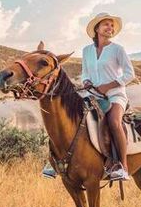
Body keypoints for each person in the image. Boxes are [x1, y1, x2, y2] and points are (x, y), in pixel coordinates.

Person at [42, 12, 135, 181]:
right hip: (92, 93)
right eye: (106, 24)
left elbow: (130, 74)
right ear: (97, 28)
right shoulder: (87, 51)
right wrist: (86, 81)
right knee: (66, 118)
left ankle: (122, 166)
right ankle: (54, 162)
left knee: (114, 121)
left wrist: (108, 85)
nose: (110, 28)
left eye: (112, 25)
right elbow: (85, 72)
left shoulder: (117, 49)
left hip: (115, 95)